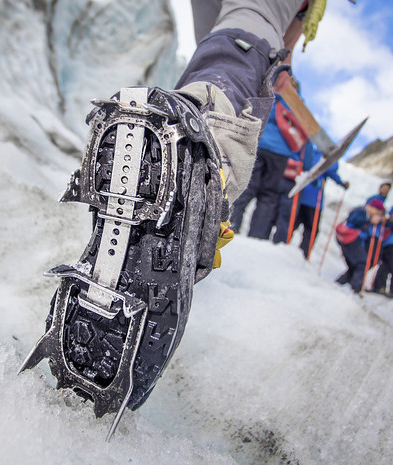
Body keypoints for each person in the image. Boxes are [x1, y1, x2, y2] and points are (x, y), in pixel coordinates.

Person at [25, 0, 346, 428]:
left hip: (217, 34)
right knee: (245, 45)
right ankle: (197, 149)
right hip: (247, 34)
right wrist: (277, 56)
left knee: (220, 51)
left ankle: (173, 154)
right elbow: (273, 26)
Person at [228, 74, 306, 238]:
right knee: (269, 195)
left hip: (261, 145)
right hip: (281, 153)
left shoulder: (272, 94)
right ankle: (258, 234)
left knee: (247, 186)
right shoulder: (298, 105)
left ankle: (232, 224)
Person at [272, 142, 349, 257]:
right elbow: (332, 172)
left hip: (300, 195)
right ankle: (303, 255)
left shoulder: (310, 153)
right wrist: (342, 183)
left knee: (292, 223)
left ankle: (280, 246)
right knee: (311, 229)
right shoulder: (328, 159)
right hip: (314, 201)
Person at [335, 198, 385, 294]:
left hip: (351, 240)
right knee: (362, 263)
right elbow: (353, 220)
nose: (377, 215)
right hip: (351, 240)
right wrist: (369, 220)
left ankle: (340, 283)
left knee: (354, 265)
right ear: (373, 208)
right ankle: (355, 288)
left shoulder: (364, 212)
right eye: (378, 212)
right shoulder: (361, 211)